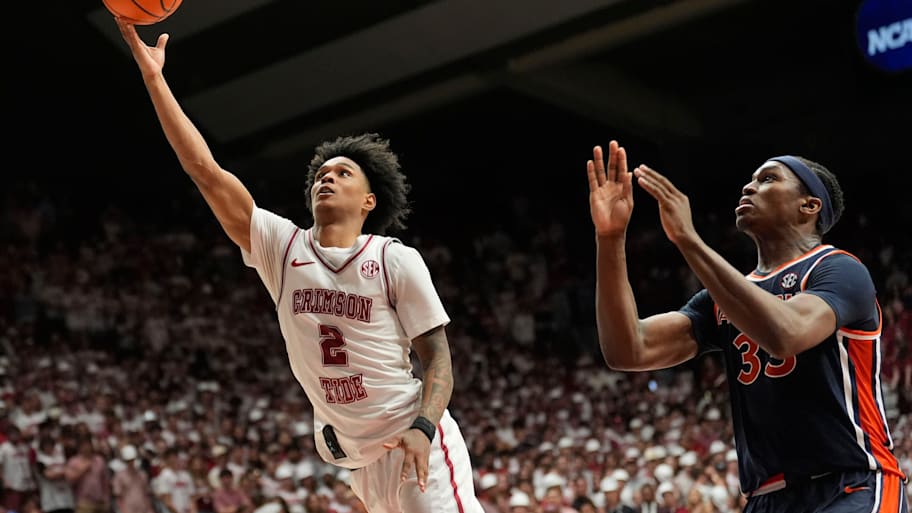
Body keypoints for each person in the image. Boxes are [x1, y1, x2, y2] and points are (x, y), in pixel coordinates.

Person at [114, 16, 483, 513]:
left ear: (369, 200)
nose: (326, 178)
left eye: (343, 173)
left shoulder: (393, 259)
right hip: (360, 464)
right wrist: (155, 79)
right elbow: (205, 171)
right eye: (321, 174)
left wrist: (424, 428)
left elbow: (438, 358)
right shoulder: (282, 248)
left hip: (416, 443)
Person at [585, 140, 909, 512]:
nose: (749, 187)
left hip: (851, 483)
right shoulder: (722, 298)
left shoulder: (838, 269)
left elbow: (786, 334)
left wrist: (688, 240)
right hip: (766, 498)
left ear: (809, 206)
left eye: (768, 179)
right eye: (751, 180)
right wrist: (609, 239)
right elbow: (628, 349)